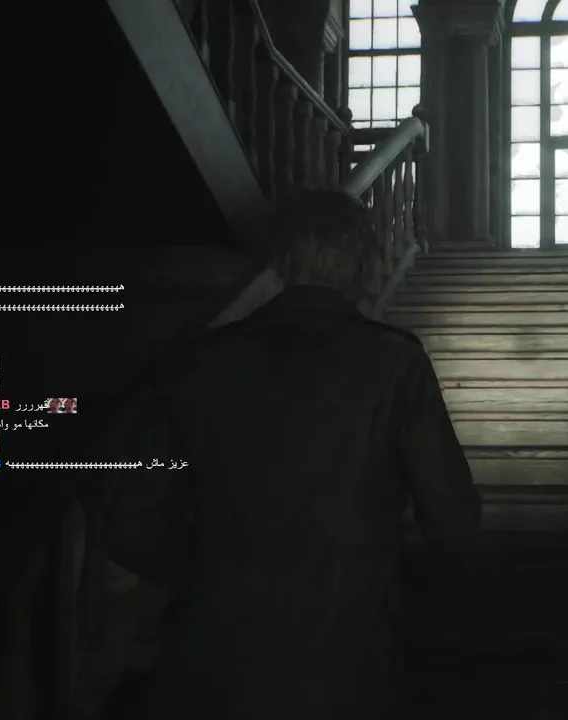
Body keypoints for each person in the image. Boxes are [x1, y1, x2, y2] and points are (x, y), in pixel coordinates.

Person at [104, 188, 480, 720]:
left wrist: (214, 570)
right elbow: (455, 520)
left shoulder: (200, 362)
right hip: (350, 657)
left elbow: (132, 526)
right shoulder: (396, 364)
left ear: (282, 260)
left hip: (215, 660)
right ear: (360, 261)